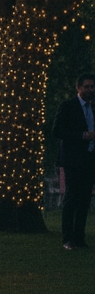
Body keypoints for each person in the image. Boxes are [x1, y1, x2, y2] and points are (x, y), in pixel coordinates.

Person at [53, 72, 95, 250]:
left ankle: (80, 238)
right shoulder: (68, 106)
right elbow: (57, 131)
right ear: (78, 88)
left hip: (89, 159)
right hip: (73, 160)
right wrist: (82, 135)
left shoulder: (94, 108)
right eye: (86, 87)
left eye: (92, 87)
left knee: (85, 199)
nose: (90, 90)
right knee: (71, 198)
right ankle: (67, 238)